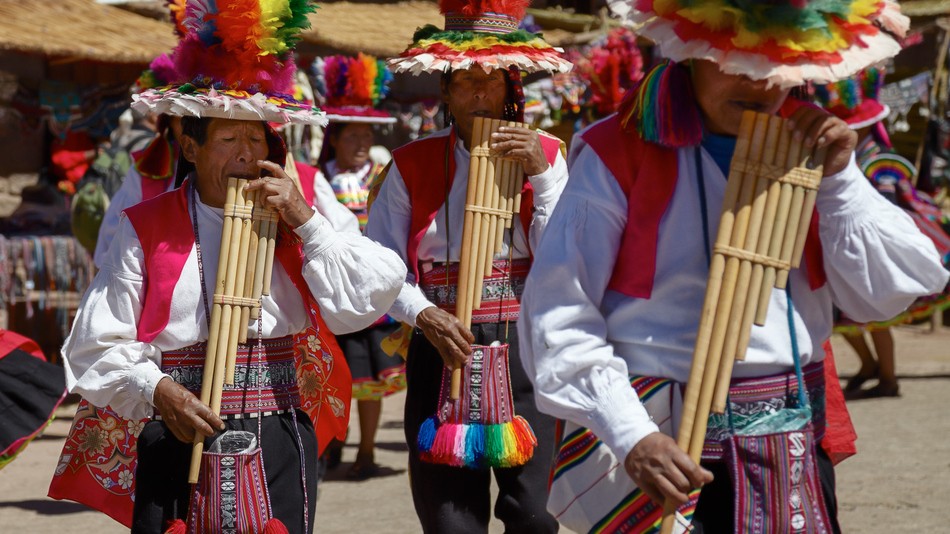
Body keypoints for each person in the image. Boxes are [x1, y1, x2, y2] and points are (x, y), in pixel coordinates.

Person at [519, 0, 949, 532]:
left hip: (790, 441)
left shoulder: (814, 146)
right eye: (732, 60)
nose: (759, 84)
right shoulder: (615, 151)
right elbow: (559, 313)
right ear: (688, 55)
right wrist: (631, 433)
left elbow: (888, 293)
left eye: (776, 66)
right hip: (658, 437)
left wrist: (840, 182)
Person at [50, 2, 406, 532]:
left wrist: (305, 222)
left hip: (280, 423)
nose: (245, 153)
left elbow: (372, 292)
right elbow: (94, 343)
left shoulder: (301, 202)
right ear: (190, 147)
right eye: (228, 138)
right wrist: (159, 390)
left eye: (256, 137)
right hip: (178, 428)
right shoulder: (144, 224)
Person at [366, 0, 572, 531]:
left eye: (491, 81)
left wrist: (541, 178)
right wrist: (424, 315)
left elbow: (568, 258)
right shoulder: (409, 165)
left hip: (525, 344)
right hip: (441, 342)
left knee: (534, 513)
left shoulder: (549, 154)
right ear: (445, 92)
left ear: (511, 88)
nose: (479, 93)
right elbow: (380, 264)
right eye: (465, 82)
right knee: (449, 515)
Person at [816, 67, 950, 399]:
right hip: (845, 246)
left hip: (878, 245)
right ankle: (869, 366)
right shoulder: (848, 158)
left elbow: (887, 208)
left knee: (878, 320)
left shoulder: (877, 160)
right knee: (846, 321)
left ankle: (888, 377)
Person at [311, 53, 405, 479]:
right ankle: (334, 445)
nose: (362, 144)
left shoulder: (383, 175)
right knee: (334, 372)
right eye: (354, 137)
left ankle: (366, 450)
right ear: (337, 140)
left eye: (368, 136)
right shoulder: (317, 177)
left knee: (370, 378)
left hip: (372, 293)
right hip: (330, 290)